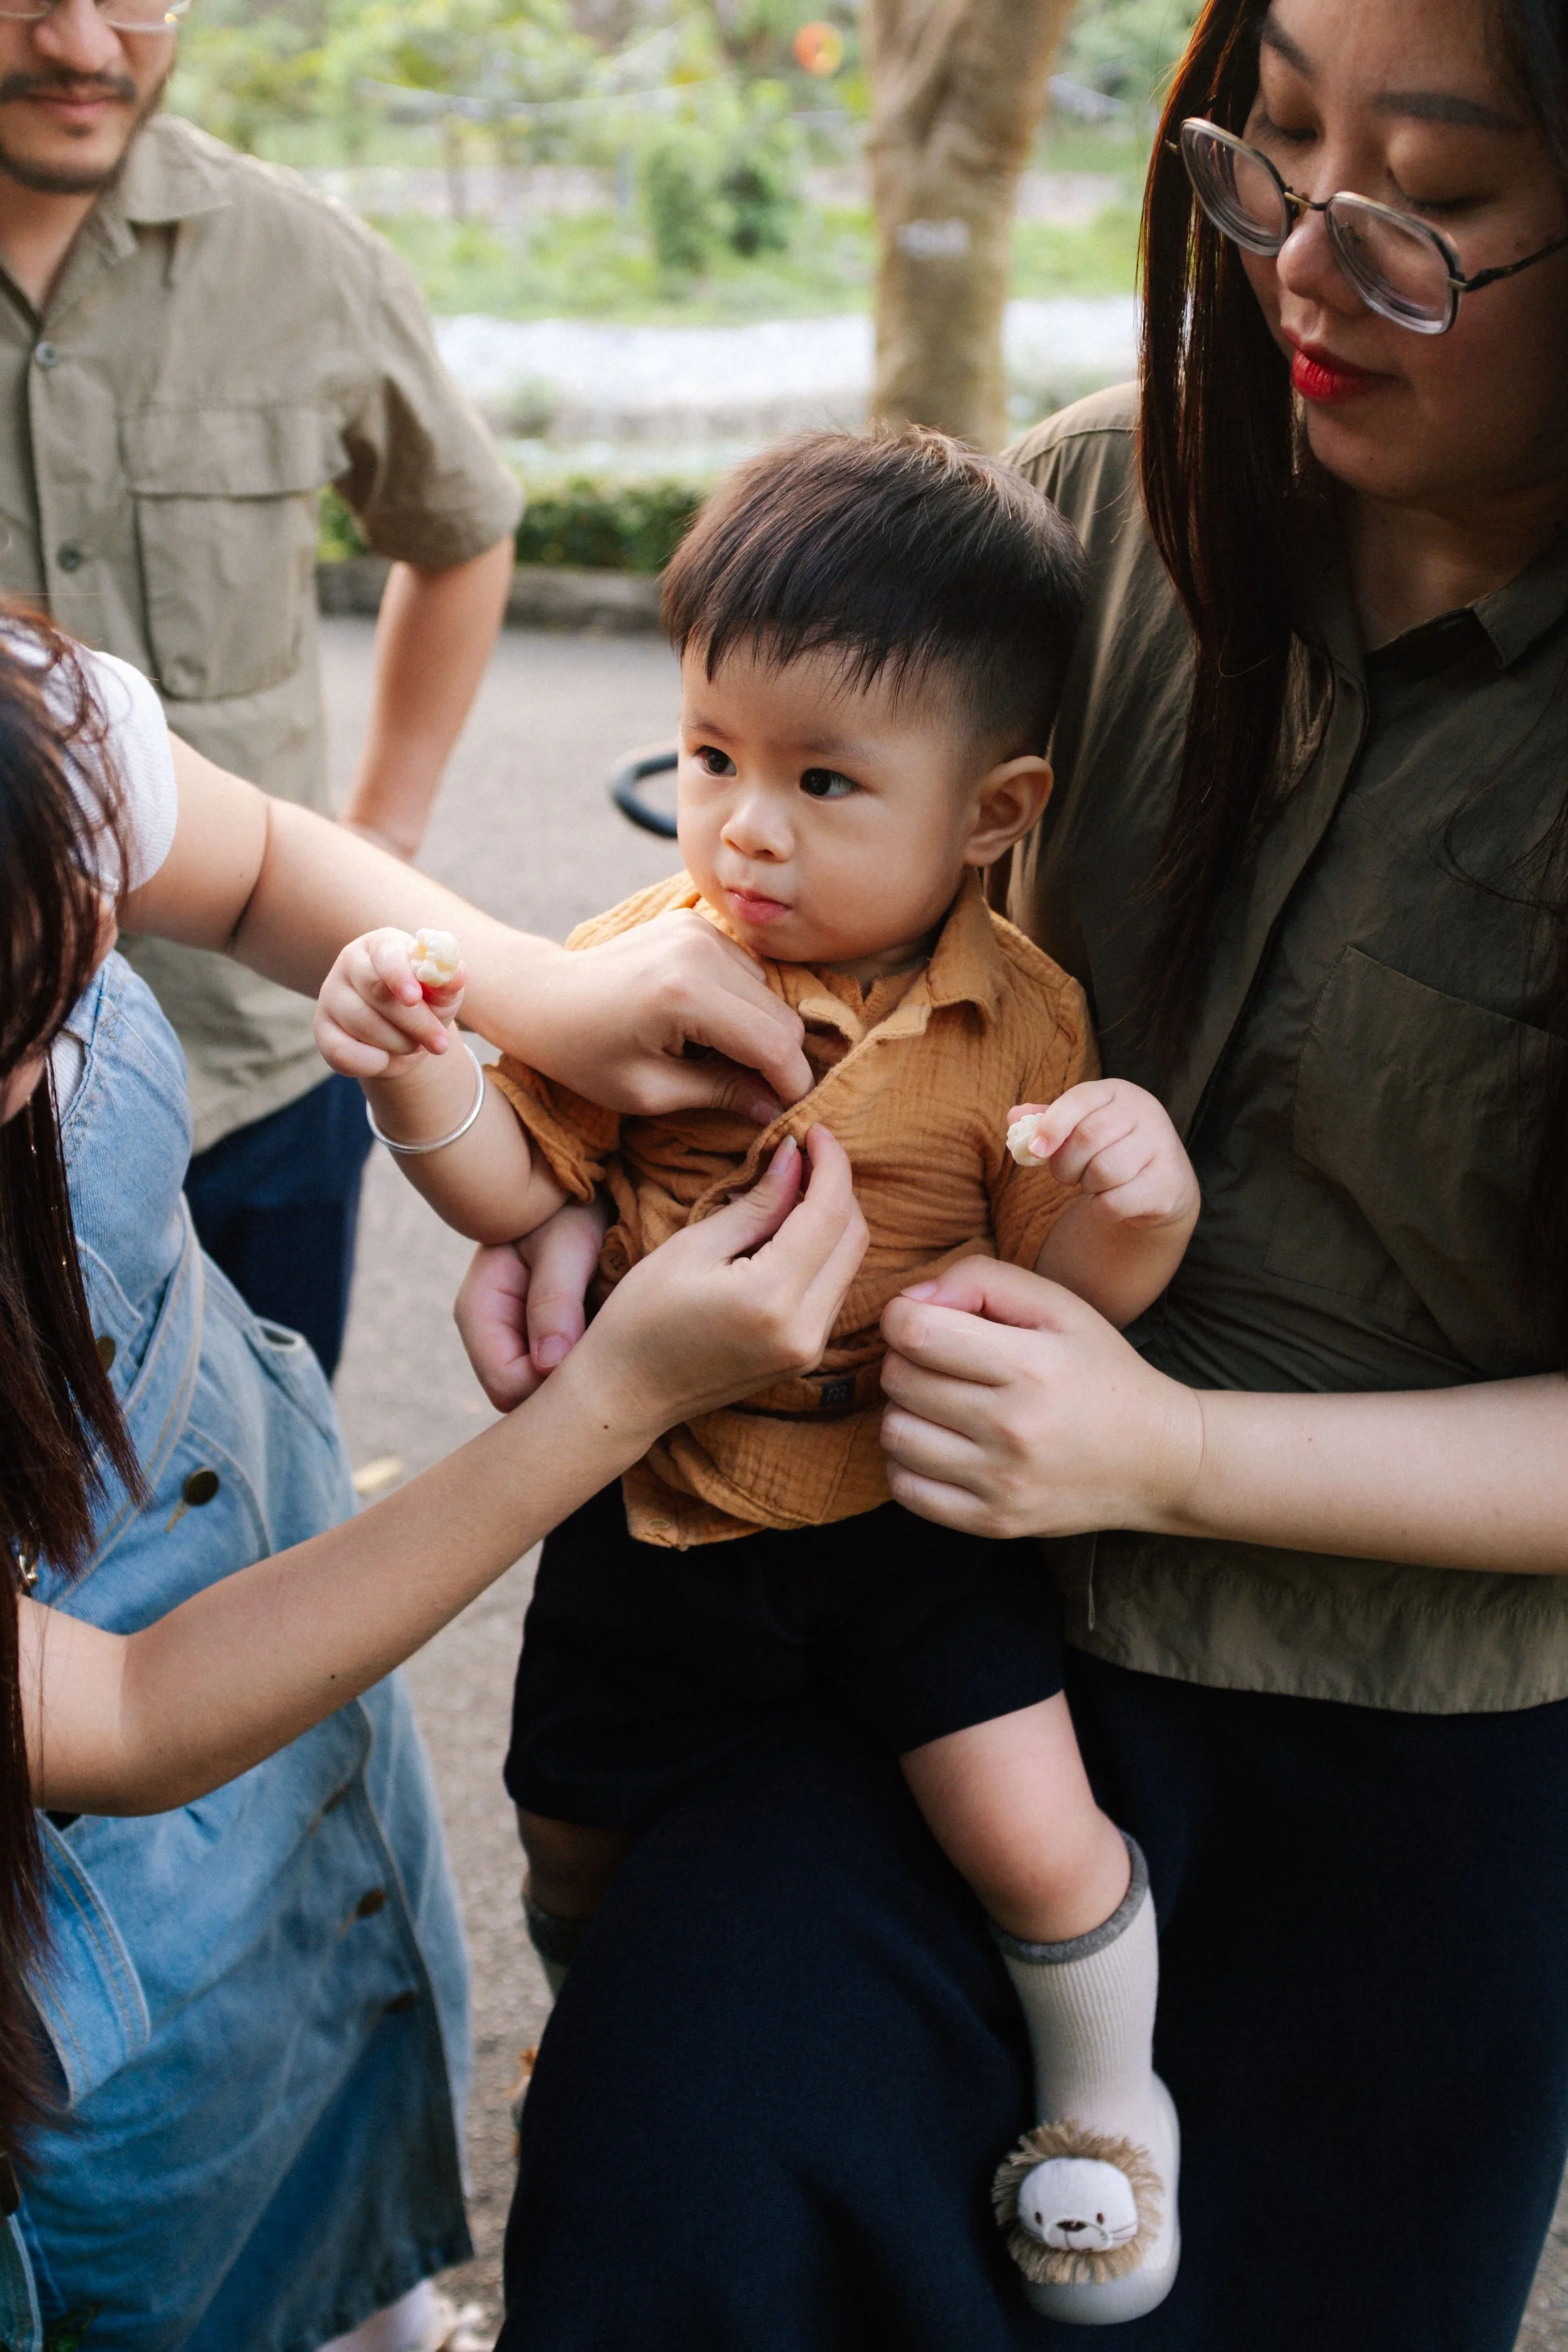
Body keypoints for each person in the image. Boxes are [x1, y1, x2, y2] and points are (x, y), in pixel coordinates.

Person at [470, 0, 1568, 2345]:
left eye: (1438, 207)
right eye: (1270, 148)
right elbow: (773, 884)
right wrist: (596, 1174)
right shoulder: (1090, 511)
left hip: (1413, 1757)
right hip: (907, 1619)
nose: (1307, 261)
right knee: (677, 2194)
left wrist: (1168, 1449)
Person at [320, 432, 1202, 2324]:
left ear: (992, 809)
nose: (745, 826)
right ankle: (604, 2010)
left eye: (821, 780)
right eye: (712, 755)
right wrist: (415, 1073)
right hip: (664, 1495)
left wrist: (1137, 1196)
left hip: (907, 1509)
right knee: (573, 1813)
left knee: (1030, 1832)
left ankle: (1104, 2103)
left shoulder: (1017, 1017)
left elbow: (1064, 1303)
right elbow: (521, 1181)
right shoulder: (647, 961)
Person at [0, 605, 834, 2352]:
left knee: (347, 1980)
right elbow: (132, 1707)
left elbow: (248, 870)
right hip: (79, 1847)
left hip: (269, 1537)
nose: (41, 1064)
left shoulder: (23, 717)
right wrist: (616, 1393)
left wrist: (539, 1008)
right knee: (145, 2195)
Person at [0, 0, 523, 1375]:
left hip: (257, 1064)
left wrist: (380, 839)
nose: (82, 44)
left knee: (266, 1499)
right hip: (11, 1079)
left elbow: (457, 531)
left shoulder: (303, 257)